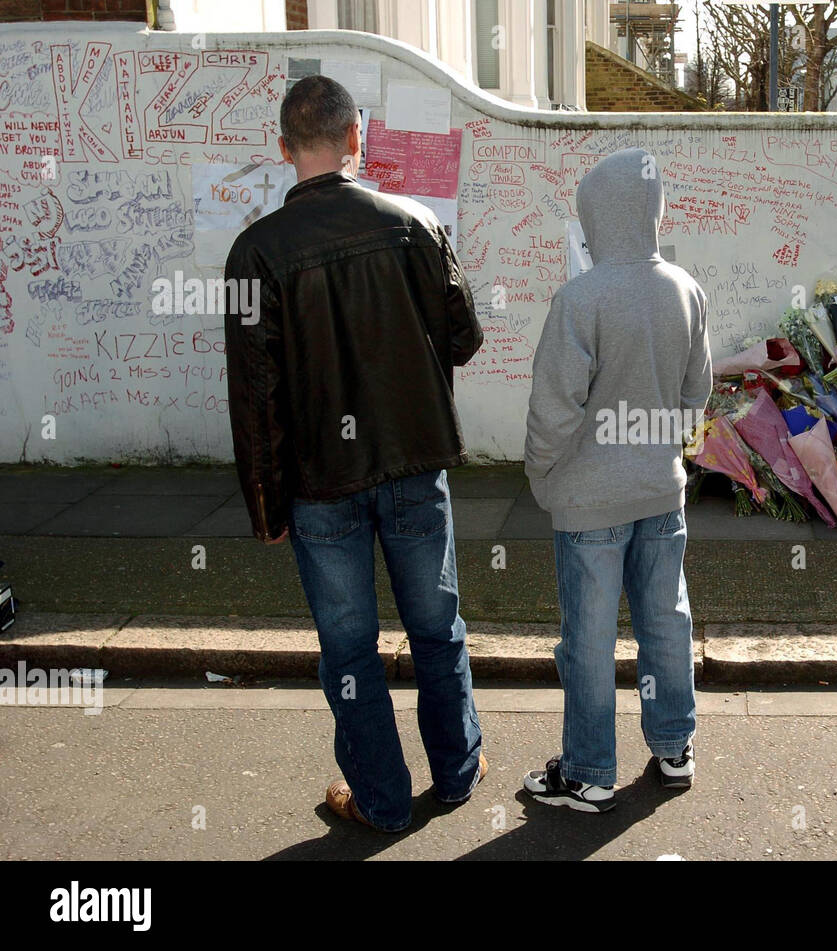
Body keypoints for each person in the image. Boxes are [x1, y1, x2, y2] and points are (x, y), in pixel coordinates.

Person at [223, 76, 485, 832]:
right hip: (412, 462)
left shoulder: (254, 254)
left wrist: (267, 505)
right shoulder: (417, 224)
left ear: (282, 148)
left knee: (348, 648)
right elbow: (462, 336)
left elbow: (254, 396)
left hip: (319, 485)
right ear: (355, 139)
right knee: (437, 627)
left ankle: (380, 799)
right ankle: (459, 770)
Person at [522, 147, 712, 812]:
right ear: (653, 213)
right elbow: (697, 397)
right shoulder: (687, 290)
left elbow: (553, 409)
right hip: (662, 491)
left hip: (588, 501)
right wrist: (667, 453)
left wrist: (542, 477)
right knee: (666, 620)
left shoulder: (580, 299)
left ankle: (588, 770)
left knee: (589, 640)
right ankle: (674, 746)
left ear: (595, 217)